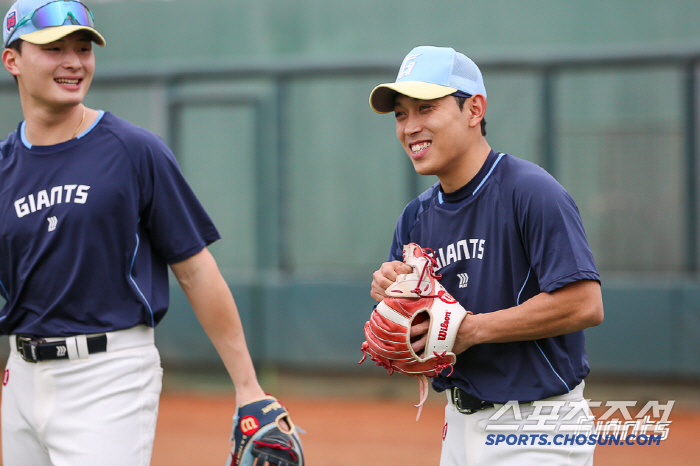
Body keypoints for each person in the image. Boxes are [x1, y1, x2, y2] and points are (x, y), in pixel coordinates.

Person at [0, 1, 271, 464]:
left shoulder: (133, 150)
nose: (73, 61)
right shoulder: (4, 167)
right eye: (53, 48)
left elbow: (196, 270)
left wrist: (248, 387)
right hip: (20, 375)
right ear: (13, 60)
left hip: (109, 375)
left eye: (83, 48)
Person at [368, 45, 604, 465]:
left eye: (426, 108)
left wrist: (473, 330)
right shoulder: (415, 217)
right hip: (457, 424)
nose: (410, 127)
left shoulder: (530, 191)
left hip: (537, 425)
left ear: (474, 109)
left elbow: (584, 303)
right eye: (402, 114)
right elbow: (425, 335)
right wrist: (395, 299)